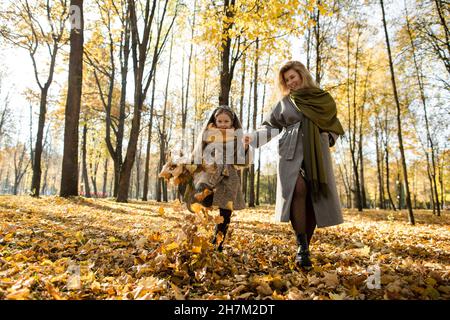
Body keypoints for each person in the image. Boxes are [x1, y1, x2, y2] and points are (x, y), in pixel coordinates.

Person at [243, 60, 345, 269]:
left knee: (314, 198)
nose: (290, 82)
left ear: (302, 75)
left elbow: (333, 123)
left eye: (292, 77)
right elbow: (270, 126)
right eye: (286, 80)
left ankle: (305, 247)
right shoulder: (285, 103)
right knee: (298, 189)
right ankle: (301, 245)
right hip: (291, 153)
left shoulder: (323, 98)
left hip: (317, 153)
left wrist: (328, 137)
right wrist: (252, 138)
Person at [187, 106, 250, 252]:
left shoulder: (236, 138)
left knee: (225, 214)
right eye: (219, 121)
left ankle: (218, 244)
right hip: (210, 174)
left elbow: (241, 161)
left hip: (229, 179)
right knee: (203, 196)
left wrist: (245, 147)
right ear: (215, 121)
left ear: (232, 123)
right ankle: (196, 233)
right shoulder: (208, 135)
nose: (222, 124)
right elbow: (199, 153)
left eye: (226, 121)